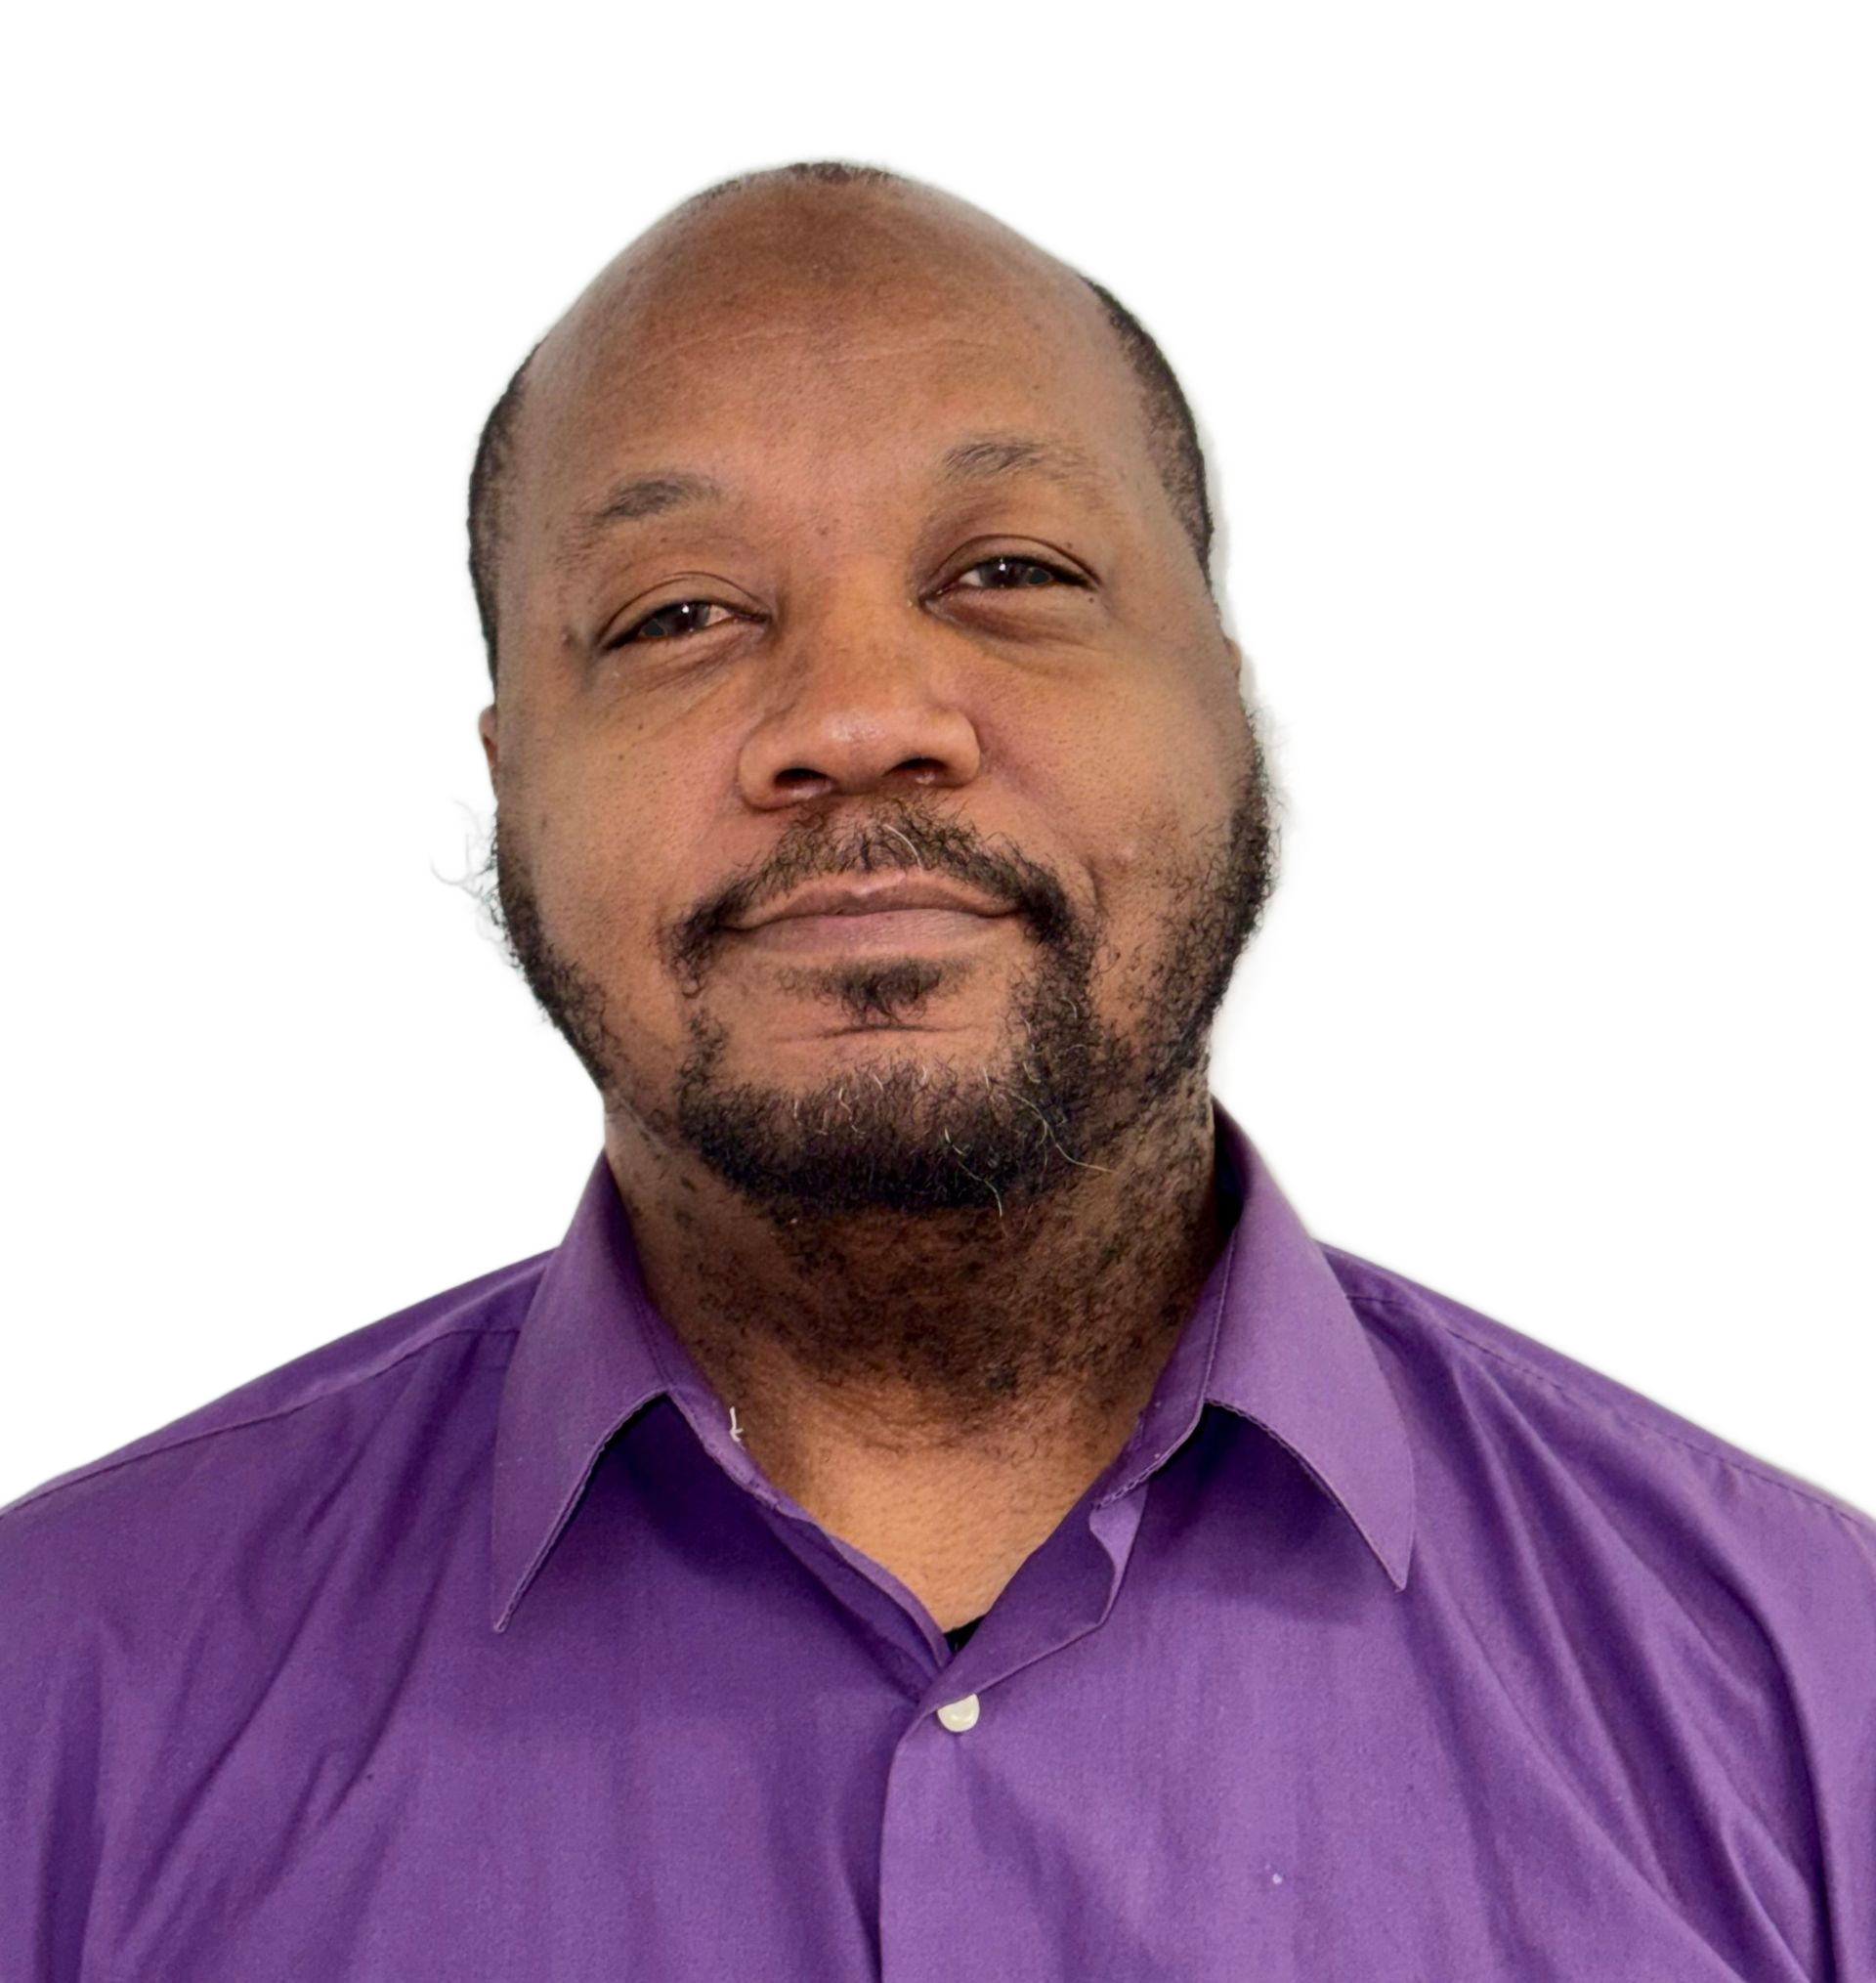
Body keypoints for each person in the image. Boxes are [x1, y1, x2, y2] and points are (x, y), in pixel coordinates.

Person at [4, 151, 1870, 1982]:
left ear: (1235, 702)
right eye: (677, 614)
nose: (856, 719)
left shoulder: (1820, 1695)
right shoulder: (50, 1697)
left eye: (1007, 569)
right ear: (511, 777)